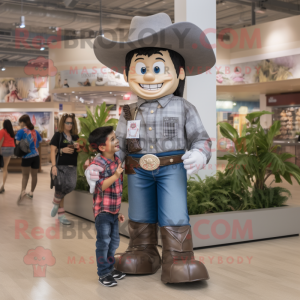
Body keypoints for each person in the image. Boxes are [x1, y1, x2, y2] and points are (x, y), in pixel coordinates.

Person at [93, 12, 215, 283]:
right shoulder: (128, 111)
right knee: (139, 212)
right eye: (141, 69)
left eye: (157, 68)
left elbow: (201, 138)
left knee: (173, 210)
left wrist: (198, 154)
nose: (149, 76)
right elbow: (120, 146)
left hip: (171, 168)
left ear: (179, 72)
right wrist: (101, 166)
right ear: (127, 74)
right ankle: (142, 250)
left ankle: (179, 256)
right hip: (137, 170)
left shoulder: (184, 107)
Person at [85, 126, 126, 287]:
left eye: (116, 138)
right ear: (102, 147)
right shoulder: (98, 164)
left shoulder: (116, 159)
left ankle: (109, 268)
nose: (117, 141)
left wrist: (118, 211)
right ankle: (103, 273)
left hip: (113, 210)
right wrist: (115, 175)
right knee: (104, 242)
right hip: (102, 212)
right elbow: (99, 187)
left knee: (114, 242)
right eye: (113, 139)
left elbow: (117, 189)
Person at [50, 113, 79, 225]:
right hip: (60, 166)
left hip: (73, 166)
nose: (69, 124)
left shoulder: (75, 136)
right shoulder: (58, 135)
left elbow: (83, 149)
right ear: (63, 123)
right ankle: (61, 216)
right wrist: (54, 165)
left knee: (71, 185)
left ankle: (56, 201)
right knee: (60, 187)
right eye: (67, 122)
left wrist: (79, 147)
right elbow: (53, 151)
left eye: (71, 122)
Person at [15, 114, 42, 204]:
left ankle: (23, 192)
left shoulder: (21, 131)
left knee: (25, 176)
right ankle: (31, 193)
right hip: (36, 156)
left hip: (26, 156)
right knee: (34, 175)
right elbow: (38, 143)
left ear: (23, 122)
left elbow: (17, 142)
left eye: (20, 123)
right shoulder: (35, 131)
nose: (20, 125)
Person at [0, 120, 15, 193]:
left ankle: (1, 187)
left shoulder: (2, 131)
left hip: (3, 149)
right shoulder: (11, 132)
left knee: (3, 168)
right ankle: (3, 186)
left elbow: (0, 141)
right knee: (5, 167)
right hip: (11, 149)